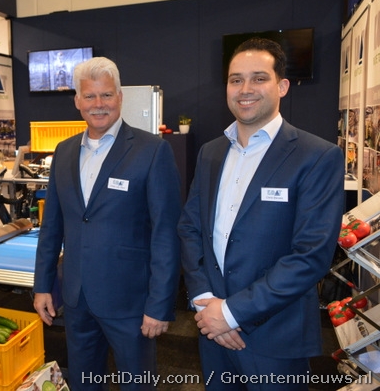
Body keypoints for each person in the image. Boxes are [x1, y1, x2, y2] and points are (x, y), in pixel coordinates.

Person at [178, 38, 344, 390]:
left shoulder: (317, 156)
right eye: (236, 79)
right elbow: (191, 229)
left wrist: (231, 313)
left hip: (275, 336)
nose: (245, 89)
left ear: (282, 86)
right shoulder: (210, 153)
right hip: (212, 329)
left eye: (259, 78)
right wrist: (206, 302)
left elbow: (310, 255)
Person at [33, 57, 182, 390]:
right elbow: (52, 227)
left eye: (106, 95)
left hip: (131, 302)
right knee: (85, 381)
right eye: (89, 96)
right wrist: (43, 286)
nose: (98, 104)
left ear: (120, 97)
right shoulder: (64, 152)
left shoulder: (152, 151)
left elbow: (166, 234)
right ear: (77, 101)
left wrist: (160, 304)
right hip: (76, 298)